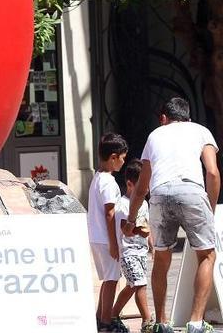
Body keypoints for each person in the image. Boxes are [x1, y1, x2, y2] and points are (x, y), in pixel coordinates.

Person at [125, 97, 220, 333]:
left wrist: (130, 219)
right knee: (207, 256)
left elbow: (142, 187)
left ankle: (162, 323)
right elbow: (213, 172)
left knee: (161, 257)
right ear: (188, 117)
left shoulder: (155, 135)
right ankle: (196, 323)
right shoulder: (201, 131)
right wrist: (210, 207)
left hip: (160, 194)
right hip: (192, 191)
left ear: (164, 118)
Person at [88, 132, 128, 333]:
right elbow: (109, 212)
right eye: (122, 158)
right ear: (113, 157)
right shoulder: (108, 182)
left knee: (108, 279)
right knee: (112, 281)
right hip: (106, 239)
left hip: (97, 238)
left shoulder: (97, 177)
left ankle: (99, 317)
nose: (123, 162)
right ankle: (105, 322)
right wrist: (114, 243)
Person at [111, 160, 153, 332]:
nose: (147, 189)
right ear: (129, 184)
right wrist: (139, 232)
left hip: (141, 251)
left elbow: (147, 225)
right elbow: (125, 230)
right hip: (127, 251)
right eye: (142, 185)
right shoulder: (122, 204)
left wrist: (152, 243)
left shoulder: (144, 203)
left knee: (132, 285)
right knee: (139, 284)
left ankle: (113, 315)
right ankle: (147, 321)